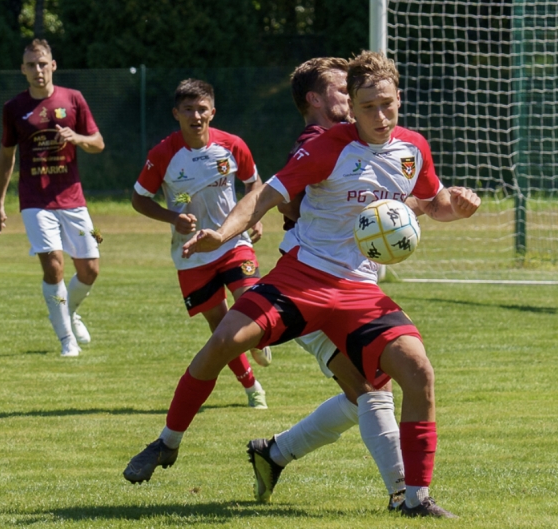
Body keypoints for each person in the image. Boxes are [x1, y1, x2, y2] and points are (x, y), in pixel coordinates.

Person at [123, 50, 481, 518]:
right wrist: (223, 233)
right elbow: (267, 195)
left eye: (388, 104)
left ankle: (414, 499)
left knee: (417, 373)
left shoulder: (413, 148)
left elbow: (432, 202)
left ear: (400, 100)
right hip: (303, 276)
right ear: (352, 106)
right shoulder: (327, 145)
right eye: (369, 106)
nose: (380, 115)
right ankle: (168, 442)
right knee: (224, 342)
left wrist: (457, 205)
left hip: (360, 290)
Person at [248, 57, 405, 510]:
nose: (350, 95)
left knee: (368, 389)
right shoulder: (318, 141)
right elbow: (289, 199)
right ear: (314, 100)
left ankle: (273, 453)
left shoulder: (354, 143)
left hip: (350, 286)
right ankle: (404, 495)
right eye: (341, 89)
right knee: (373, 387)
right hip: (311, 285)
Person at [131, 78, 271, 409]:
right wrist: (172, 218)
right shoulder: (163, 154)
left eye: (202, 109)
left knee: (251, 299)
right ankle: (251, 386)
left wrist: (255, 216)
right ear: (176, 113)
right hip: (191, 254)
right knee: (221, 327)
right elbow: (139, 200)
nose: (196, 116)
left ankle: (257, 338)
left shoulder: (232, 145)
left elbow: (255, 185)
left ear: (213, 112)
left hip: (232, 242)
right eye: (188, 109)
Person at [0, 39, 104, 357]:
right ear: (22, 69)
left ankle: (69, 312)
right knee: (53, 265)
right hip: (34, 201)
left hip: (74, 200)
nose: (37, 70)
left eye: (43, 63)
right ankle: (66, 340)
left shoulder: (73, 99)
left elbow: (98, 142)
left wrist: (77, 137)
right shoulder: (13, 108)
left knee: (91, 269)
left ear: (53, 65)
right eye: (31, 64)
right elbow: (6, 157)